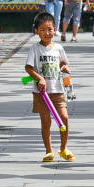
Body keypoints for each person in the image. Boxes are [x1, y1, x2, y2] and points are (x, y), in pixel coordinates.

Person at [23, 11, 74, 162]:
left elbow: (64, 62)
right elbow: (28, 68)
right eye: (43, 29)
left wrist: (65, 68)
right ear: (36, 31)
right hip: (42, 93)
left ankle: (64, 148)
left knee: (64, 118)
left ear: (55, 29)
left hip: (58, 90)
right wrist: (39, 78)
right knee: (46, 121)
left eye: (50, 29)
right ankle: (49, 151)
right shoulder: (35, 49)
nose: (47, 32)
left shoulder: (58, 48)